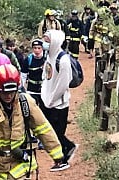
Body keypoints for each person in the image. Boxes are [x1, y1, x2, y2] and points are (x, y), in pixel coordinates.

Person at [41, 30, 78, 171]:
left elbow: (63, 84)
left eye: (47, 41)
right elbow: (47, 77)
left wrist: (52, 99)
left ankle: (64, 157)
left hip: (59, 103)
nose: (45, 43)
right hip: (48, 100)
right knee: (51, 131)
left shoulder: (63, 60)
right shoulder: (49, 56)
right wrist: (45, 96)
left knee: (57, 132)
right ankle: (66, 151)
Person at [20, 39, 46, 108]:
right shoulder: (28, 59)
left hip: (44, 89)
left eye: (39, 48)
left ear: (42, 48)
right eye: (35, 48)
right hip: (31, 90)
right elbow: (23, 75)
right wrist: (23, 89)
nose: (37, 50)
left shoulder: (46, 59)